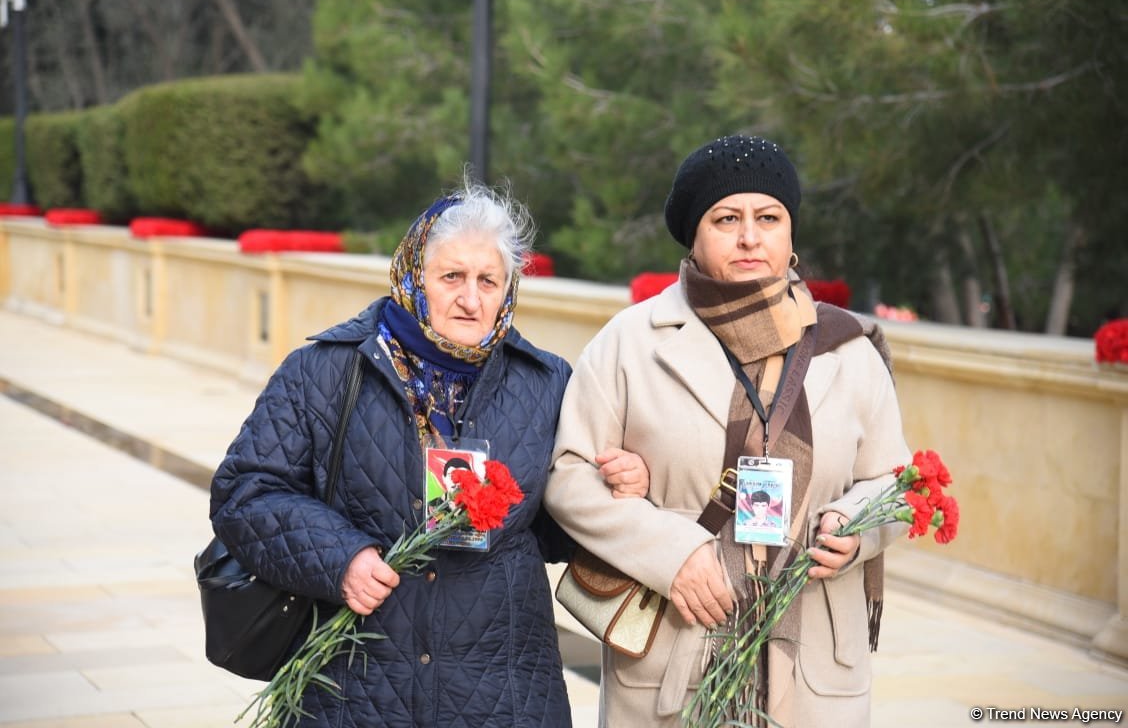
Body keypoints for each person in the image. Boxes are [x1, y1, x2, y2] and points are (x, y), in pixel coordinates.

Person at [209, 177, 649, 727]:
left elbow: (557, 530)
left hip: (502, 695)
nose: (471, 299)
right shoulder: (326, 370)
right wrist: (340, 557)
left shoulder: (548, 382)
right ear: (413, 274)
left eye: (489, 280)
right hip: (357, 689)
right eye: (452, 277)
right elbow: (245, 491)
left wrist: (612, 489)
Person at [544, 134, 911, 727]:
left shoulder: (849, 349)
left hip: (814, 663)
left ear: (790, 233)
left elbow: (896, 483)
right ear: (695, 234)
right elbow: (567, 477)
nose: (749, 236)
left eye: (768, 217)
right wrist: (672, 552)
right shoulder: (632, 341)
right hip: (678, 651)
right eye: (726, 218)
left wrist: (855, 528)